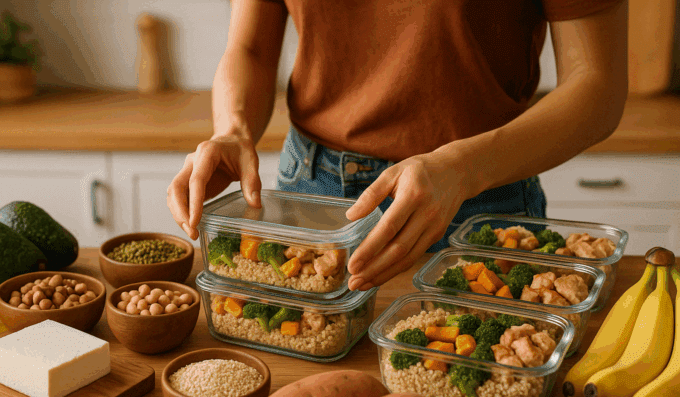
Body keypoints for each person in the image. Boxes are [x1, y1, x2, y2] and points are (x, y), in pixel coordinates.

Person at [167, 0, 627, 291]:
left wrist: (463, 168)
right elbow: (249, 47)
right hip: (312, 189)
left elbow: (597, 84)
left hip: (481, 195)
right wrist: (232, 129)